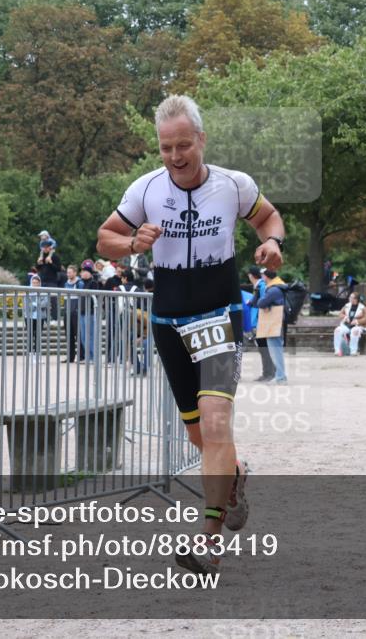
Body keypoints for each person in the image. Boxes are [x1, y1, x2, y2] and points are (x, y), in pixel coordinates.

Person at [96, 94, 284, 575]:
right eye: (165, 148)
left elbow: (267, 217)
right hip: (168, 323)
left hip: (219, 315)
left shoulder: (233, 185)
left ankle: (208, 540)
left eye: (183, 145)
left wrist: (272, 243)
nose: (175, 157)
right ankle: (236, 479)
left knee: (218, 423)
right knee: (201, 436)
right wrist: (132, 242)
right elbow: (104, 238)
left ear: (201, 139)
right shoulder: (145, 190)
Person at [256, 269, 287, 383]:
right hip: (277, 322)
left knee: (275, 351)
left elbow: (260, 303)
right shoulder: (278, 287)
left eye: (263, 276)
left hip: (274, 323)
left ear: (266, 276)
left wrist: (265, 304)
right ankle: (280, 375)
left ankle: (280, 377)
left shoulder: (273, 289)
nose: (262, 278)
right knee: (276, 350)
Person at [246, 267, 276, 381]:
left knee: (264, 348)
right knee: (263, 348)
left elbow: (264, 303)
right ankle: (268, 372)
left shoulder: (261, 286)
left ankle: (268, 373)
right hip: (259, 322)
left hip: (262, 322)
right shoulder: (260, 286)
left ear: (251, 275)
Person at [333, 292, 366, 356]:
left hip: (358, 326)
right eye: (350, 297)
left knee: (354, 331)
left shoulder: (363, 307)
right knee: (337, 330)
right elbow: (340, 314)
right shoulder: (347, 305)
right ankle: (337, 350)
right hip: (346, 325)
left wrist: (357, 321)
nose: (349, 298)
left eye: (351, 297)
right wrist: (345, 317)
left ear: (356, 299)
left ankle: (353, 351)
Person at [24, 275, 49, 359]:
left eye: (37, 283)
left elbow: (45, 303)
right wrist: (38, 304)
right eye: (33, 283)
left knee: (38, 335)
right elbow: (26, 304)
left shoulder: (43, 291)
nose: (35, 284)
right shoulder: (27, 291)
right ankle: (31, 354)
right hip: (29, 316)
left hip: (40, 317)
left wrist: (35, 304)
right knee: (30, 335)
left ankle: (38, 354)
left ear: (39, 283)